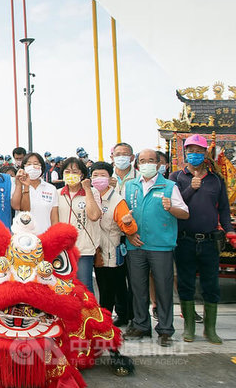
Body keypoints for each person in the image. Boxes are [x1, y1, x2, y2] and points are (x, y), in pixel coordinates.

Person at [115, 148, 189, 347]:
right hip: (135, 245)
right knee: (138, 288)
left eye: (150, 160)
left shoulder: (169, 186)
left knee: (164, 289)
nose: (146, 163)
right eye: (142, 160)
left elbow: (184, 213)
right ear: (137, 164)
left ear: (158, 164)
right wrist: (129, 232)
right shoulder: (130, 187)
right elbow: (120, 214)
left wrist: (170, 208)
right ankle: (141, 325)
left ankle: (165, 330)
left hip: (161, 246)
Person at [170, 135, 236, 344]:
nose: (195, 155)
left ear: (206, 153)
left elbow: (224, 209)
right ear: (185, 152)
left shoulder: (216, 179)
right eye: (191, 151)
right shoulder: (176, 177)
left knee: (211, 284)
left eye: (199, 151)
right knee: (186, 282)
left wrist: (229, 231)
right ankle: (189, 327)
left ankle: (210, 329)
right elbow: (175, 204)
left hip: (209, 241)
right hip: (184, 240)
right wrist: (192, 188)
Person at [89, 161, 135, 327]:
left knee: (112, 285)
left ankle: (113, 318)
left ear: (110, 178)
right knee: (103, 284)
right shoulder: (90, 195)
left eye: (103, 175)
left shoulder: (117, 200)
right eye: (95, 175)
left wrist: (128, 223)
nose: (98, 179)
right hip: (94, 248)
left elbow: (127, 227)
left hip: (111, 249)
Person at [56, 157, 102, 294]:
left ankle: (89, 315)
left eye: (75, 172)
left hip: (83, 249)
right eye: (67, 171)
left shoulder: (92, 192)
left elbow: (94, 216)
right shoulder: (57, 194)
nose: (71, 175)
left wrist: (87, 189)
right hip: (62, 250)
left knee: (84, 286)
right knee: (63, 287)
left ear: (82, 174)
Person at [20, 152, 58, 234]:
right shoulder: (19, 187)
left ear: (42, 167)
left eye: (36, 164)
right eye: (28, 164)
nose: (32, 167)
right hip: (23, 238)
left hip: (45, 237)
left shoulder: (51, 188)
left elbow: (54, 218)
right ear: (24, 167)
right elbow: (23, 210)